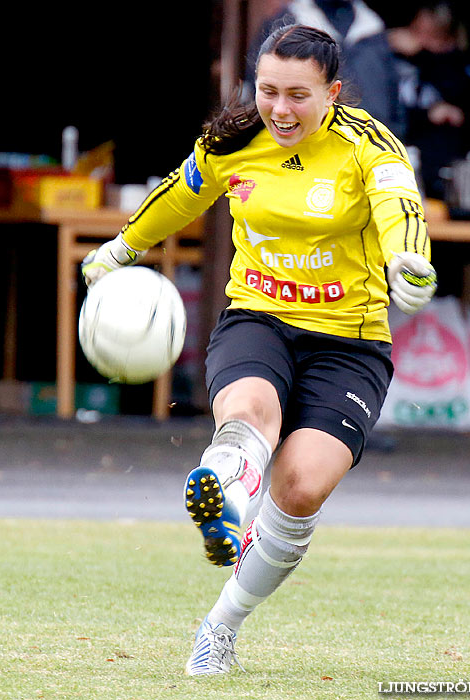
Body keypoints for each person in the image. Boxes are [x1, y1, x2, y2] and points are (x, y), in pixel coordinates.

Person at [82, 24, 437, 674]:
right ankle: (226, 491)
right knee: (248, 414)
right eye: (268, 91)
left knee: (300, 488)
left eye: (298, 95)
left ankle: (221, 623)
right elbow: (179, 193)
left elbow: (399, 205)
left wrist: (408, 261)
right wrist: (120, 248)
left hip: (350, 343)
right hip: (259, 316)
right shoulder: (233, 142)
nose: (280, 108)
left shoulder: (367, 143)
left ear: (331, 92)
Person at [245, 0, 407, 140]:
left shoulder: (372, 29)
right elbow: (260, 90)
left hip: (371, 143)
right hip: (307, 147)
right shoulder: (286, 26)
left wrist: (395, 136)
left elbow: (393, 94)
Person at [387, 1, 470, 200]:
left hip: (444, 171)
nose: (419, 40)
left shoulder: (456, 67)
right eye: (416, 31)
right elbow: (385, 111)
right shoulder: (391, 59)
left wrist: (424, 55)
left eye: (431, 35)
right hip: (399, 160)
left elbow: (463, 99)